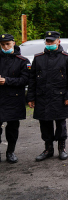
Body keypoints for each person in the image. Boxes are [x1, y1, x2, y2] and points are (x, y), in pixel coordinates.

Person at [27, 31, 68, 162]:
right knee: (44, 124)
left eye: (52, 41)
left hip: (60, 97)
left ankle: (62, 148)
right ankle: (48, 149)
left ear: (58, 41)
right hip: (42, 97)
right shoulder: (38, 58)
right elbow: (32, 79)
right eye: (47, 41)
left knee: (60, 124)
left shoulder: (67, 57)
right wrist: (31, 98)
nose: (49, 43)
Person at [0, 33, 30, 164]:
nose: (5, 47)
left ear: (13, 43)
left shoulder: (22, 61)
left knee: (12, 128)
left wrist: (7, 81)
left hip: (14, 99)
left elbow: (25, 80)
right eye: (2, 44)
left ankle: (10, 152)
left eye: (7, 44)